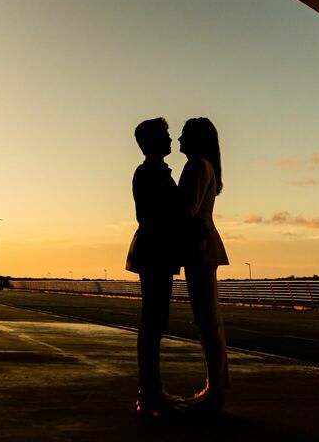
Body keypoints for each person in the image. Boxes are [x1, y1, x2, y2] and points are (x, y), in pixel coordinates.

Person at [126, 117, 182, 417]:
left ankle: (152, 390)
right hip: (154, 253)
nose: (170, 139)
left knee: (156, 322)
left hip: (156, 252)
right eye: (165, 135)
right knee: (152, 323)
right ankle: (149, 393)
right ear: (151, 141)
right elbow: (153, 215)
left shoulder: (155, 170)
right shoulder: (149, 172)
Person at [177, 117, 229, 412]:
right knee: (209, 322)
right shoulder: (205, 165)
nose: (179, 139)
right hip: (203, 247)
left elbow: (186, 210)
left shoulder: (196, 165)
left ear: (196, 139)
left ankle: (214, 391)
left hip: (200, 248)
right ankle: (215, 388)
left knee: (207, 323)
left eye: (184, 134)